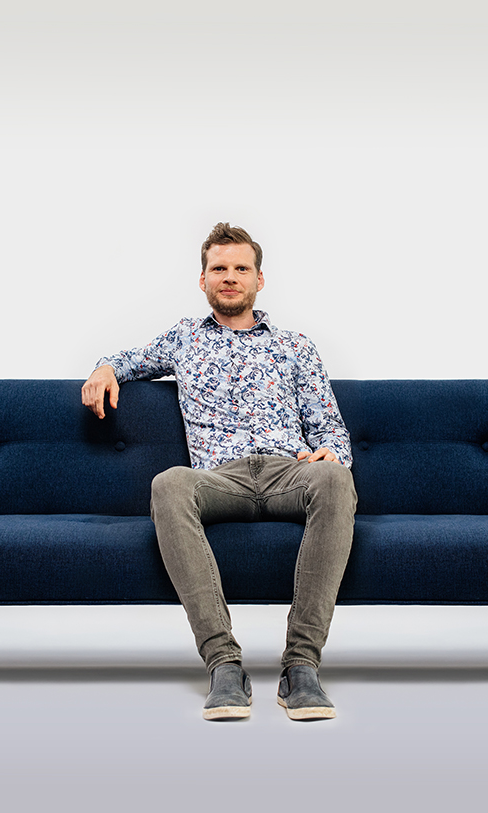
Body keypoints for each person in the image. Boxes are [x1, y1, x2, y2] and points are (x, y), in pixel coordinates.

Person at [82, 222, 357, 721]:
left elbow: (329, 427)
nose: (230, 277)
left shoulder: (295, 345)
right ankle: (224, 665)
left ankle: (301, 666)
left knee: (337, 479)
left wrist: (331, 453)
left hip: (287, 472)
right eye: (219, 268)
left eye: (241, 268)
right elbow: (130, 360)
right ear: (203, 279)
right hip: (219, 478)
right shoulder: (185, 338)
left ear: (259, 280)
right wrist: (104, 368)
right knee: (169, 483)